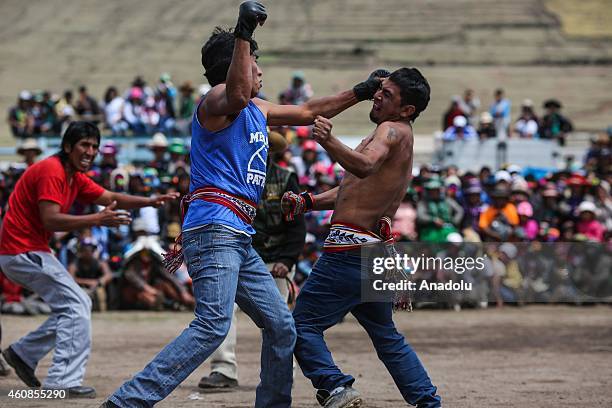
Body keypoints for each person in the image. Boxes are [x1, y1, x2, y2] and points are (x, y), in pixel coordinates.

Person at [102, 2, 380, 407]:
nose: (260, 70)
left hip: (237, 235)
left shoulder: (257, 107)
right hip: (215, 229)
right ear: (234, 63)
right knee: (213, 325)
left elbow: (308, 111)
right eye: (253, 61)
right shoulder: (216, 100)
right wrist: (243, 32)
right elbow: (234, 91)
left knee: (282, 325)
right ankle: (127, 402)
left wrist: (361, 91)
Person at [283, 68, 441, 407]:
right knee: (388, 338)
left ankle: (336, 386)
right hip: (374, 257)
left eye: (388, 94)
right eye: (380, 90)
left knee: (300, 326)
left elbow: (363, 167)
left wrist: (328, 140)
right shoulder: (394, 133)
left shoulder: (390, 131)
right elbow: (352, 187)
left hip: (350, 252)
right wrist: (308, 201)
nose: (378, 96)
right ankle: (428, 402)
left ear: (406, 109)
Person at [0, 121, 178, 398]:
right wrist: (98, 218)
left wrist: (149, 201)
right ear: (68, 147)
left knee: (74, 305)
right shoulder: (52, 171)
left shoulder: (73, 175)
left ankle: (22, 354)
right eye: (85, 145)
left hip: (27, 250)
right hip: (21, 251)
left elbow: (111, 197)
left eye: (94, 146)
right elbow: (51, 219)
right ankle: (61, 382)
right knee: (77, 304)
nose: (91, 151)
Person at [197, 131, 306, 389]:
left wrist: (287, 260)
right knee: (221, 311)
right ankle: (223, 370)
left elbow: (297, 225)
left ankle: (282, 372)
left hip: (274, 263)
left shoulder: (286, 178)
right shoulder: (231, 176)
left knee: (277, 317)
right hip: (238, 256)